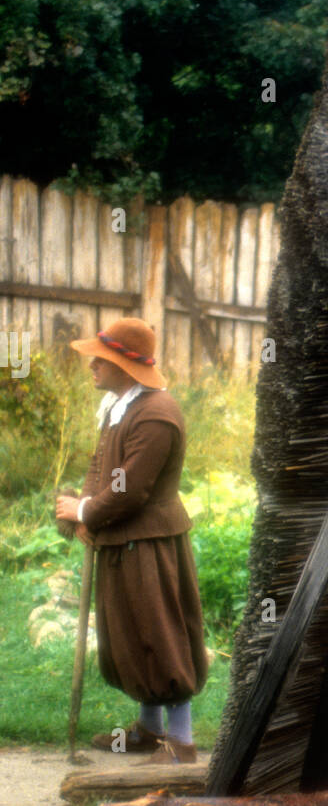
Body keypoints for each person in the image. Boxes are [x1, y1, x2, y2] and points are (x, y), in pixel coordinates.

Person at [55, 317, 207, 763]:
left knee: (161, 635)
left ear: (125, 364)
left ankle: (181, 743)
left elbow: (129, 488)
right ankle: (149, 729)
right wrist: (86, 513)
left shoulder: (156, 414)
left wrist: (85, 510)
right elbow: (103, 470)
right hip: (122, 540)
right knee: (133, 635)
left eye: (100, 359)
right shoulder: (122, 406)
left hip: (150, 544)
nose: (92, 367)